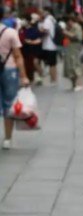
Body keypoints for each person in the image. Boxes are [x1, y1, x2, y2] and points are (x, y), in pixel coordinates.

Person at [0, 8, 29, 150]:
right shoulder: (11, 32)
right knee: (8, 104)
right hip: (9, 69)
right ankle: (7, 138)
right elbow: (18, 56)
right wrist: (24, 76)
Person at [63, 14, 83, 92]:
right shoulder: (70, 27)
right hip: (69, 48)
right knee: (70, 67)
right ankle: (74, 84)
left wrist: (66, 33)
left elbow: (77, 37)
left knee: (75, 66)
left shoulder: (77, 27)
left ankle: (79, 84)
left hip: (74, 49)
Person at [21, 14, 43, 84]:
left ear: (28, 21)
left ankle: (40, 77)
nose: (22, 21)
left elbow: (39, 40)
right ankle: (30, 78)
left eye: (24, 20)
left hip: (35, 50)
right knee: (27, 65)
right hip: (25, 50)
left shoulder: (34, 29)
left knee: (35, 63)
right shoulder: (22, 30)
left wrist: (31, 42)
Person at [38, 7, 58, 86]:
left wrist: (40, 30)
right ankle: (54, 79)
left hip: (49, 45)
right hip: (53, 45)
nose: (42, 13)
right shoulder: (53, 19)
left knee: (51, 64)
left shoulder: (47, 20)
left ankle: (53, 80)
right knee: (53, 64)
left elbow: (45, 30)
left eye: (43, 12)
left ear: (47, 12)